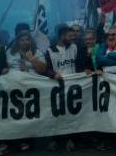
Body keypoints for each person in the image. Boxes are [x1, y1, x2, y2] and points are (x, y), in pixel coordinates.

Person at [45, 24, 91, 153]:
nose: (73, 38)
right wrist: (53, 74)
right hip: (56, 86)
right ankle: (55, 139)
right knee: (57, 113)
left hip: (73, 86)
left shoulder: (75, 47)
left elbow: (80, 65)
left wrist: (85, 70)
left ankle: (71, 139)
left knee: (72, 113)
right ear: (61, 36)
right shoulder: (50, 50)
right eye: (70, 36)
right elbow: (46, 68)